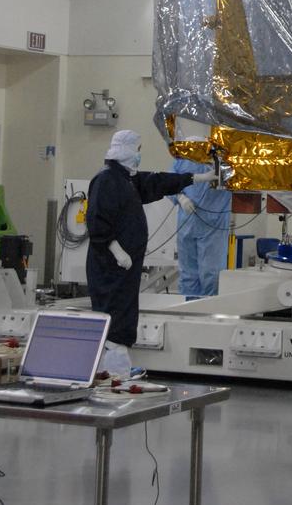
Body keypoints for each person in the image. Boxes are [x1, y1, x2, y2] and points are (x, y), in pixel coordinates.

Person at [85, 130, 213, 370]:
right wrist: (116, 250)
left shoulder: (126, 179)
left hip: (124, 267)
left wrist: (195, 179)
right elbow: (97, 222)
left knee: (123, 311)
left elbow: (156, 182)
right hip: (111, 266)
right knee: (114, 314)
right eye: (138, 150)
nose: (139, 155)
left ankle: (115, 367)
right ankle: (115, 369)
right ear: (127, 151)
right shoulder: (107, 180)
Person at [170, 154, 232, 297]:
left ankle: (209, 312)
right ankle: (188, 311)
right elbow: (169, 183)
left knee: (212, 275)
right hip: (187, 224)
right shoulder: (181, 161)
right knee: (188, 275)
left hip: (213, 225)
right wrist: (181, 197)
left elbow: (238, 182)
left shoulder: (222, 162)